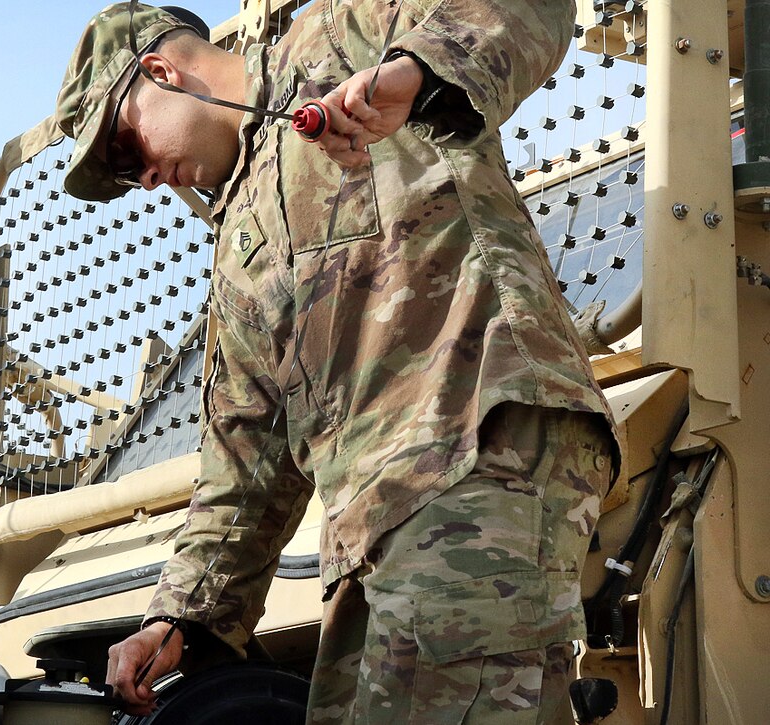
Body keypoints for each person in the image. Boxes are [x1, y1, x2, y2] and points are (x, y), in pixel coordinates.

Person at [53, 1, 618, 722]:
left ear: (160, 71)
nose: (146, 181)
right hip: (374, 527)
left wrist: (421, 70)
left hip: (475, 441)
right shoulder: (238, 248)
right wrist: (180, 615)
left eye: (126, 150)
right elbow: (246, 458)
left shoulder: (344, 34)